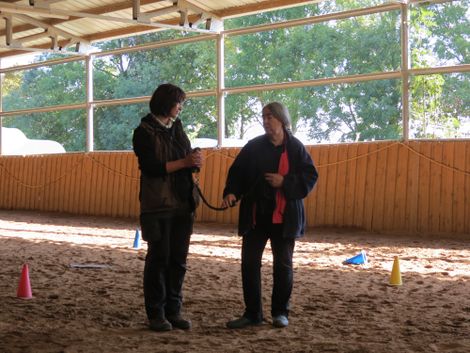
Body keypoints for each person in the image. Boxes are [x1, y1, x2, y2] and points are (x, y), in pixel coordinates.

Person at [222, 101, 318, 329]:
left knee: (283, 265)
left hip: (283, 218)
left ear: (282, 120)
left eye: (270, 117)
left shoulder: (295, 148)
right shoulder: (253, 147)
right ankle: (253, 313)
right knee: (249, 264)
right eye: (263, 117)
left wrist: (284, 181)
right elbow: (237, 172)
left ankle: (280, 312)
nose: (265, 121)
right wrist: (232, 192)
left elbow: (310, 177)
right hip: (256, 216)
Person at [132, 83, 202, 332]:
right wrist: (184, 161)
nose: (180, 107)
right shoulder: (142, 132)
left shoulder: (178, 129)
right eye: (178, 102)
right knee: (159, 259)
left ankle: (174, 310)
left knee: (178, 260)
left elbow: (183, 161)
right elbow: (152, 167)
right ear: (166, 103)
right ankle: (156, 313)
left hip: (182, 203)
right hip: (157, 204)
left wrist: (193, 161)